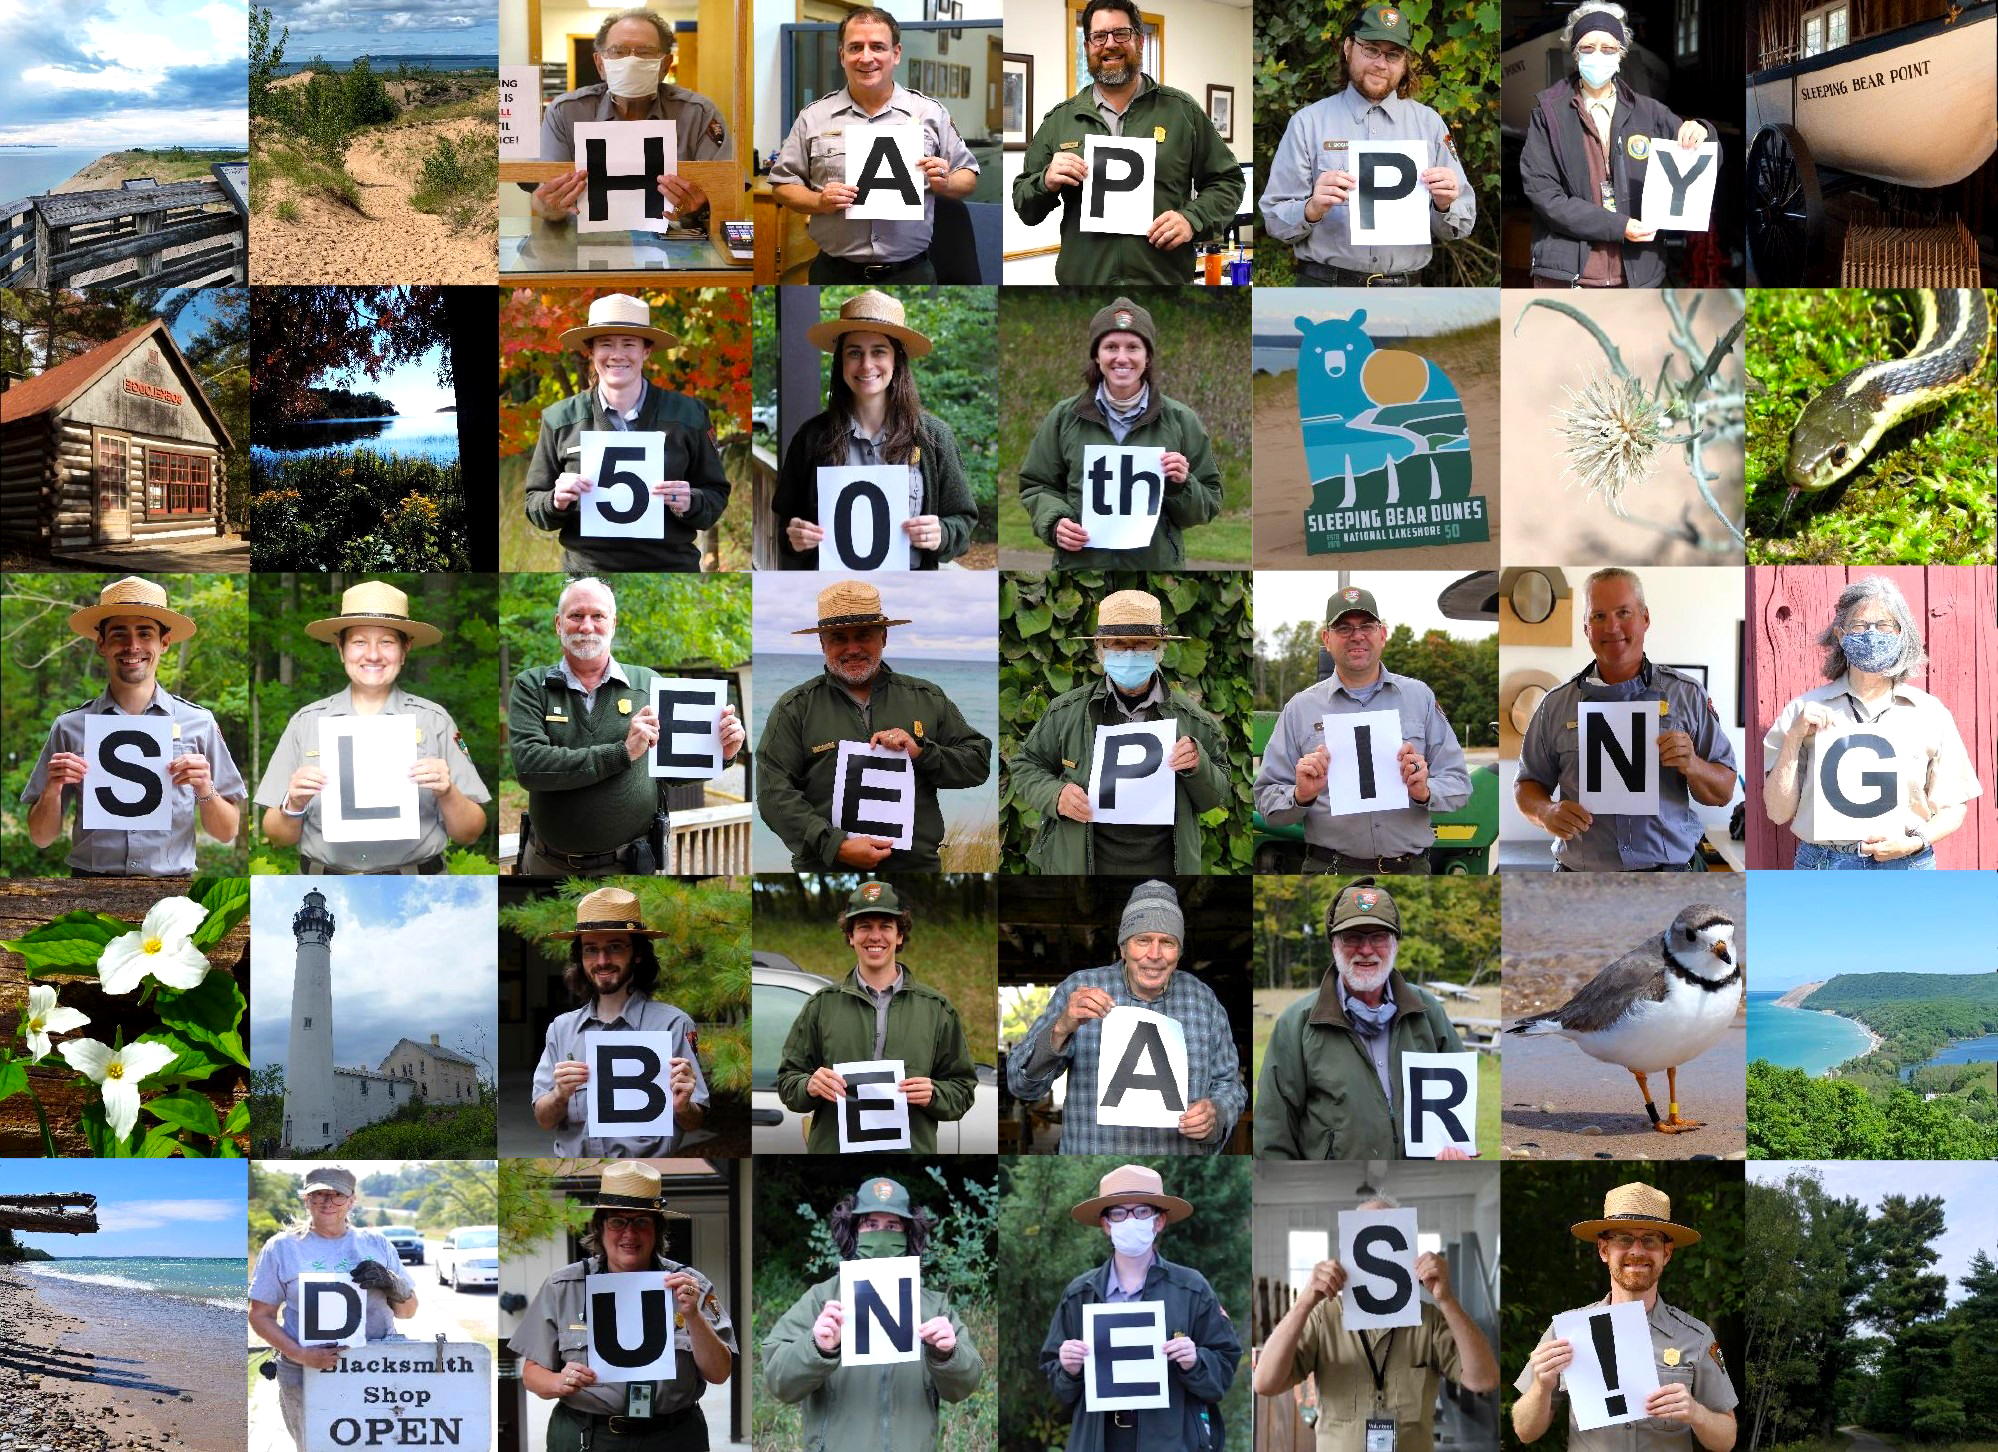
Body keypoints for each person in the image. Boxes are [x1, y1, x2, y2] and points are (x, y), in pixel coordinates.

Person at [507, 576, 745, 877]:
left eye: (598, 616)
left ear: (613, 623)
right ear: (558, 624)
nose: (586, 626)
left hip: (630, 866)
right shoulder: (532, 684)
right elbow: (530, 767)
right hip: (548, 864)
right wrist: (623, 753)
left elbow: (671, 771)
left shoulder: (648, 683)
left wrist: (722, 753)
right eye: (576, 615)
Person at [254, 580, 489, 874]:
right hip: (326, 887)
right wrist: (295, 802)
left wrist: (447, 792)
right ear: (341, 649)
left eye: (387, 642)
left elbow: (469, 833)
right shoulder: (306, 723)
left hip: (418, 890)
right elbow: (277, 836)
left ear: (405, 650)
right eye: (359, 642)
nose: (374, 655)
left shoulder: (435, 721)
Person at [757, 580, 993, 872]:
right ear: (822, 643)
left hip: (915, 870)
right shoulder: (794, 707)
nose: (852, 648)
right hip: (825, 869)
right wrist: (836, 846)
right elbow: (773, 793)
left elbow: (978, 763)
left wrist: (921, 752)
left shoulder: (927, 697)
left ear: (883, 636)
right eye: (838, 638)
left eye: (863, 635)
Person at [1515, 567, 1737, 871]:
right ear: (1586, 628)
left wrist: (1694, 765)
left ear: (1645, 618)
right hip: (1581, 883)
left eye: (1624, 612)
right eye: (1599, 616)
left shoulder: (1688, 695)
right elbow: (1527, 784)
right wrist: (1546, 811)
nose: (1612, 627)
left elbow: (1724, 792)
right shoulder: (1555, 704)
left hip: (1671, 877)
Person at [22, 576, 244, 876]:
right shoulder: (69, 727)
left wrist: (205, 788)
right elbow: (40, 837)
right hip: (90, 887)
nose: (132, 646)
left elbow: (227, 832)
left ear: (164, 643)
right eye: (118, 634)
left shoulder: (199, 723)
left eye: (145, 633)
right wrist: (52, 788)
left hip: (172, 891)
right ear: (101, 643)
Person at [1011, 0, 1244, 286]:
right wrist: (1045, 182)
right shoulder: (1060, 120)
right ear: (1087, 46)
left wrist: (1192, 219)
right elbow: (1025, 207)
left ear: (1140, 40)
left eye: (1121, 34)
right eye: (1099, 36)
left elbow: (1229, 182)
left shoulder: (1182, 111)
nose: (1110, 44)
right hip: (1085, 290)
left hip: (1164, 287)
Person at [1008, 880, 1244, 1154]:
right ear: (1123, 947)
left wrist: (1217, 1112)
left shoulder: (1204, 1001)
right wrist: (1062, 1027)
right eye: (1142, 940)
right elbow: (1021, 1086)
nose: (1154, 955)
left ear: (1178, 953)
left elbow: (1230, 1085)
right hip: (1092, 1157)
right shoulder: (1079, 989)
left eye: (1167, 942)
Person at [511, 1163, 736, 1451]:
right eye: (618, 1221)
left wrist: (692, 1315)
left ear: (657, 1230)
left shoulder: (691, 1286)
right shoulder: (563, 1287)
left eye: (641, 1222)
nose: (629, 1234)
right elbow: (531, 1373)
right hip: (588, 1436)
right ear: (600, 1228)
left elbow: (719, 1373)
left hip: (674, 1436)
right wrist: (558, 1381)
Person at [1762, 576, 1979, 869]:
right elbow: (1777, 812)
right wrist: (1792, 739)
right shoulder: (1803, 710)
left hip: (1907, 863)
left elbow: (1953, 807)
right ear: (1840, 635)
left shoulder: (1929, 712)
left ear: (1902, 633)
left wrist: (1915, 842)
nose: (1871, 634)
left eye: (1885, 625)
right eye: (1859, 626)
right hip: (1824, 866)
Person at [1009, 589, 1230, 875]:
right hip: (1081, 865)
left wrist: (1199, 766)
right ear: (1100, 650)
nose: (1129, 653)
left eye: (1140, 644)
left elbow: (1218, 792)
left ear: (1158, 650)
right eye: (1117, 644)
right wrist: (1055, 794)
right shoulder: (1066, 711)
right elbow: (1026, 764)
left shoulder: (1193, 720)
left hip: (1164, 868)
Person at [1254, 1192, 1500, 1447]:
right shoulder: (1323, 1317)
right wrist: (1305, 1300)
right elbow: (1264, 1382)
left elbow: (1484, 1380)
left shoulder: (1428, 1321)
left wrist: (1447, 1299)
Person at [1254, 586, 1471, 875]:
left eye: (1366, 626)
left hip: (1410, 869)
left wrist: (1424, 789)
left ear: (1382, 634)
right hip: (1327, 869)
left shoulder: (1420, 698)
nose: (1357, 635)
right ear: (1326, 639)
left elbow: (1459, 785)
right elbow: (1267, 802)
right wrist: (1301, 794)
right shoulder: (1300, 709)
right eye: (1344, 628)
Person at [1256, 3, 1476, 286]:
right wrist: (1311, 208)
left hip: (1406, 298)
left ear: (1405, 62)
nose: (1381, 63)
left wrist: (1445, 206)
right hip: (1325, 291)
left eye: (1393, 55)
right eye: (1371, 49)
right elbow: (1273, 219)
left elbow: (1463, 223)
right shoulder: (1307, 123)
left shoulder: (1430, 125)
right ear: (1348, 47)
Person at [1254, 878, 1472, 1159]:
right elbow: (1273, 1131)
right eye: (1353, 937)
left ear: (1395, 944)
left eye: (1378, 937)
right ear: (1334, 944)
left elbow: (1458, 1117)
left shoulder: (1427, 1012)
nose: (1366, 950)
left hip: (1419, 1186)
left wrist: (1456, 1155)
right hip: (1336, 1191)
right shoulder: (1297, 1023)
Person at [761, 1175, 984, 1448]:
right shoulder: (822, 1299)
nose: (881, 1236)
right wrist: (817, 1347)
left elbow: (964, 1385)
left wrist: (947, 1354)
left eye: (893, 1226)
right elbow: (778, 1381)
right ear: (854, 1231)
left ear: (908, 1234)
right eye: (871, 1225)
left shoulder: (933, 1306)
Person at [1512, 1183, 1738, 1450]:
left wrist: (1696, 1414)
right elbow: (1525, 1432)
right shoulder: (1566, 1332)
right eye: (1624, 1238)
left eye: (1650, 1240)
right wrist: (1540, 1386)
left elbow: (1727, 1439)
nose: (1637, 1251)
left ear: (1666, 1253)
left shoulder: (1697, 1338)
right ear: (1604, 1250)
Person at [522, 294, 732, 575]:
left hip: (670, 568)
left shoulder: (689, 415)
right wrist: (555, 501)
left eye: (629, 344)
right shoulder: (560, 419)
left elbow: (716, 494)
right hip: (587, 570)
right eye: (606, 344)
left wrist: (691, 501)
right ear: (591, 351)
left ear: (646, 351)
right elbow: (534, 503)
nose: (617, 355)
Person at [1038, 1165, 1243, 1452]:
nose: (1130, 1221)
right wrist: (1069, 1369)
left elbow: (1222, 1374)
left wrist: (1195, 1361)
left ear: (1159, 1221)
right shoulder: (1078, 1294)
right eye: (1119, 1213)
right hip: (1099, 1442)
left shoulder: (1192, 1289)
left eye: (1142, 1212)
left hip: (1171, 1442)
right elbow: (1059, 1389)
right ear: (1106, 1225)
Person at [769, 7, 980, 284]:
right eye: (855, 47)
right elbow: (782, 186)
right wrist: (818, 202)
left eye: (877, 47)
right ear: (842, 54)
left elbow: (969, 176)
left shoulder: (931, 112)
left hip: (911, 273)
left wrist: (946, 182)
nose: (866, 57)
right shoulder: (813, 117)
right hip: (834, 272)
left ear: (896, 53)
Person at [773, 291, 977, 569]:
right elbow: (785, 520)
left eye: (878, 351)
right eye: (854, 352)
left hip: (910, 591)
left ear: (897, 360)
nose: (866, 365)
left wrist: (943, 533)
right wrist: (793, 537)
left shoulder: (934, 437)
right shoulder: (810, 437)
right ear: (841, 363)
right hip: (834, 590)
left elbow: (963, 521)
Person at [1017, 297, 1224, 569]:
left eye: (1133, 347)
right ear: (1096, 355)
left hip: (1155, 572)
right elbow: (1036, 485)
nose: (1121, 357)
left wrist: (1181, 484)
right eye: (1111, 347)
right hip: (1080, 570)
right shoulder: (1064, 416)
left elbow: (1208, 503)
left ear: (1147, 356)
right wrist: (1054, 521)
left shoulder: (1181, 419)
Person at [1519, 2, 1715, 289]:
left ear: (1621, 55)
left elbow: (1709, 161)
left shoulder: (1651, 112)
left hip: (1638, 277)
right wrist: (1618, 226)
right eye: (1587, 48)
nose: (1598, 56)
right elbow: (1545, 195)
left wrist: (1702, 131)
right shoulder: (1547, 114)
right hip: (1569, 278)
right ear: (1575, 54)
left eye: (1608, 49)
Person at [774, 881, 978, 1152]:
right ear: (850, 936)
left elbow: (963, 1090)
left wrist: (935, 1094)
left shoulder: (937, 1009)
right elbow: (788, 1082)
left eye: (885, 926)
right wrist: (808, 1085)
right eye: (864, 926)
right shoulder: (821, 1006)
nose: (875, 936)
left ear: (900, 935)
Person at [529, 886, 711, 1155]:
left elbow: (694, 1122)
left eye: (614, 947)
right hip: (577, 1172)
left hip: (649, 1164)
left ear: (637, 953)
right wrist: (560, 1094)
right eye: (590, 950)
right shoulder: (561, 1029)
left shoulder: (673, 1025)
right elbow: (544, 1120)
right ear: (580, 957)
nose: (602, 961)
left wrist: (683, 1105)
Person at [248, 1167, 419, 1450]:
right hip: (304, 1370)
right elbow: (260, 1315)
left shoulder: (377, 1244)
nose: (327, 1202)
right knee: (315, 1445)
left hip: (376, 1366)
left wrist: (393, 1283)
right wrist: (300, 1354)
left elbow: (408, 1312)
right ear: (306, 1199)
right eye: (318, 1195)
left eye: (337, 1195)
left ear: (352, 1200)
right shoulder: (281, 1248)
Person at [526, 8, 729, 225]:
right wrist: (548, 207)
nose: (631, 61)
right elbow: (543, 198)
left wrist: (699, 205)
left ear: (666, 65)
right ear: (600, 64)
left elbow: (726, 193)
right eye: (618, 51)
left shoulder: (699, 114)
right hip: (583, 247)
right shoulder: (565, 113)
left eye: (645, 51)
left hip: (676, 245)